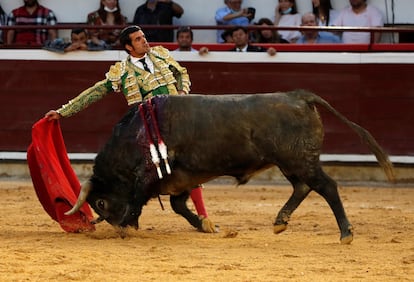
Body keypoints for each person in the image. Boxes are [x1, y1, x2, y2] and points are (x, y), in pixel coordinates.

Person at [44, 25, 210, 223]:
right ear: (129, 47)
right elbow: (94, 92)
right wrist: (63, 111)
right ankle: (117, 211)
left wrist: (182, 93)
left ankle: (203, 216)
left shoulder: (160, 54)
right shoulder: (121, 71)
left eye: (143, 36)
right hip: (150, 127)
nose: (144, 40)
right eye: (138, 39)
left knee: (191, 165)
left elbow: (181, 74)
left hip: (179, 121)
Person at [43, 28, 111, 53]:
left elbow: (109, 47)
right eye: (75, 40)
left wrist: (88, 48)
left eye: (82, 39)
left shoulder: (92, 45)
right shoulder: (67, 45)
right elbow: (46, 46)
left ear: (87, 38)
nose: (78, 42)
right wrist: (65, 50)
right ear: (71, 40)